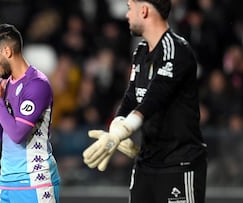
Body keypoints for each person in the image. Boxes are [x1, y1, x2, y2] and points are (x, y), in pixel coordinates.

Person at [82, 0, 208, 203]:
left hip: (179, 163)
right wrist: (116, 125)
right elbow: (132, 97)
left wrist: (123, 131)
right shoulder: (141, 51)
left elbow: (153, 100)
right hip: (146, 163)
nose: (127, 15)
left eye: (130, 8)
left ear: (144, 10)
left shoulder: (175, 49)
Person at [0, 24, 60, 203]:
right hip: (6, 182)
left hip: (35, 182)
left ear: (6, 51)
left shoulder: (37, 84)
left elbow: (17, 135)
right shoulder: (5, 85)